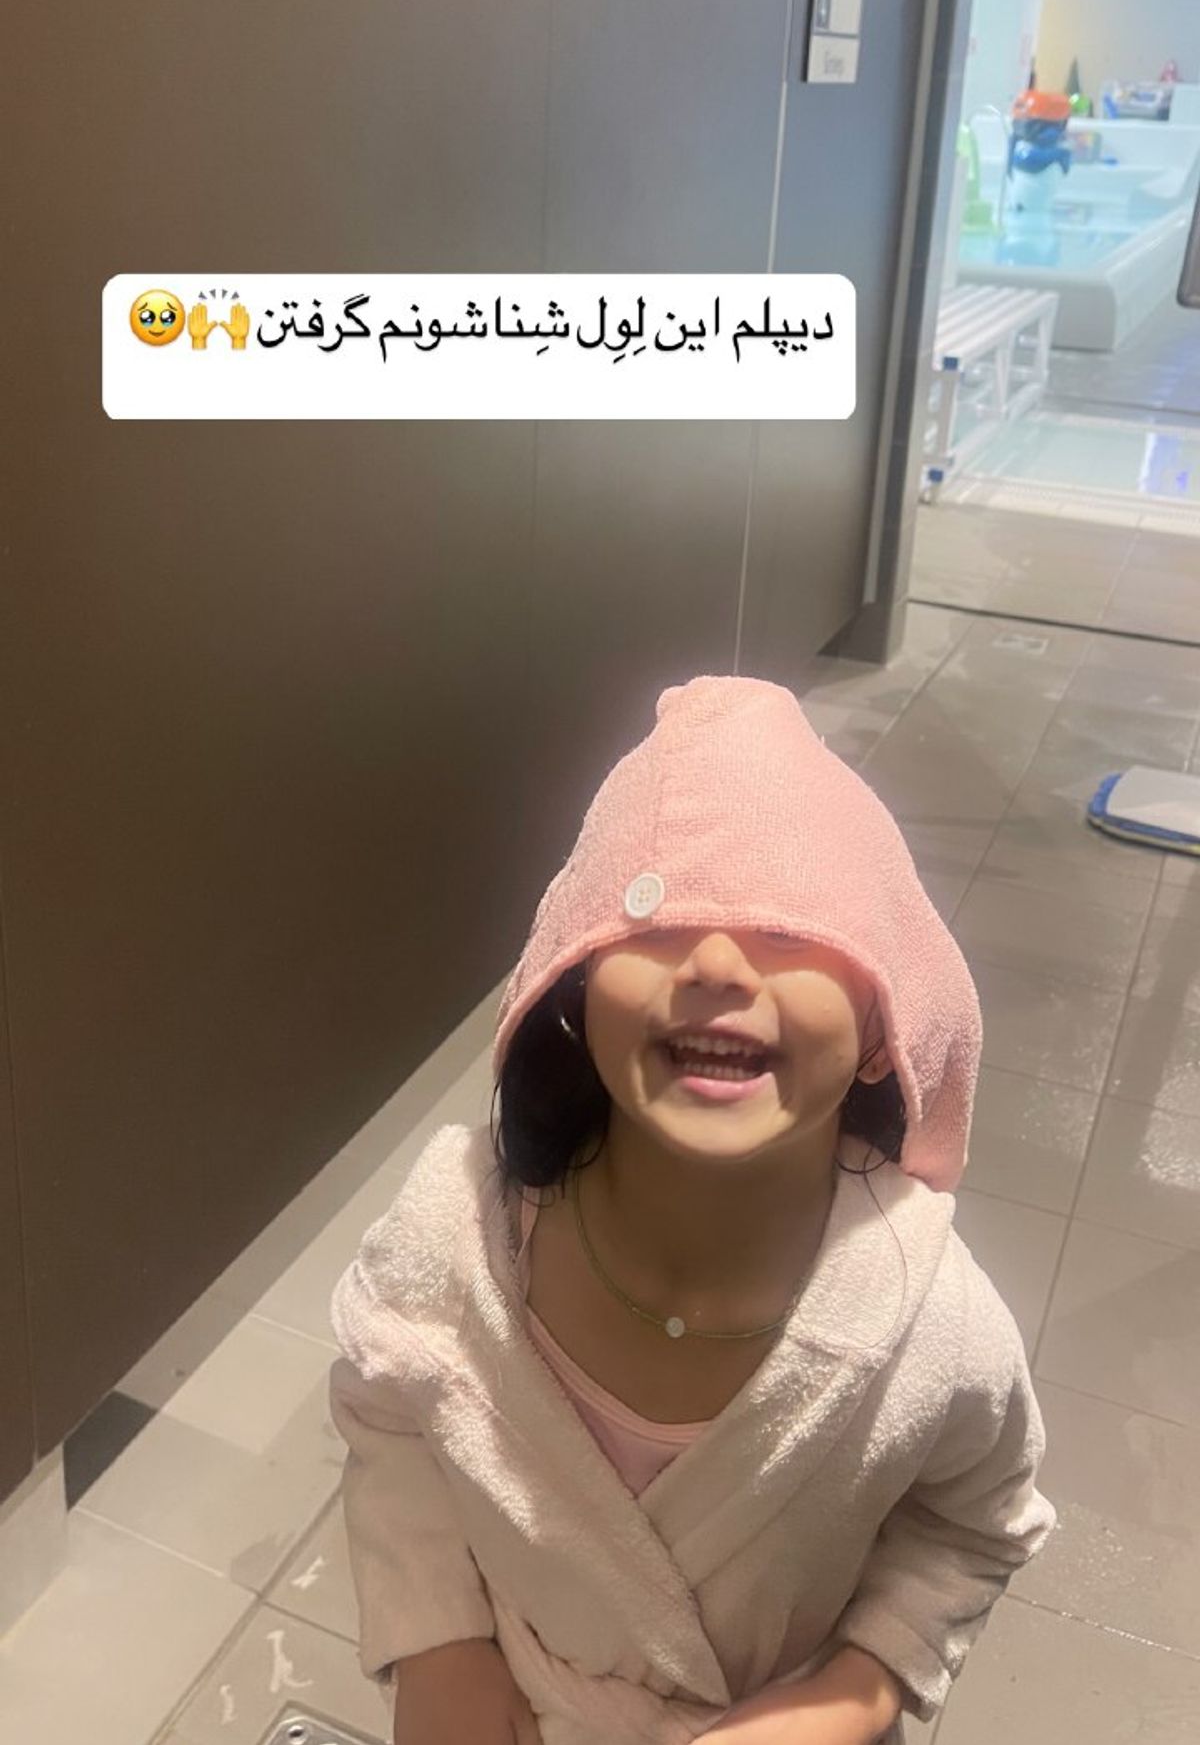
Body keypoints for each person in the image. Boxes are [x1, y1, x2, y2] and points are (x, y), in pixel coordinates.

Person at [329, 675, 1057, 1745]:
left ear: (881, 1025)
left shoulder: (932, 1325)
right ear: (575, 984)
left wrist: (853, 1694)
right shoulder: (456, 1236)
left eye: (787, 928)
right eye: (657, 917)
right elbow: (390, 1412)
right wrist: (439, 1642)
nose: (716, 962)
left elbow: (977, 1523)